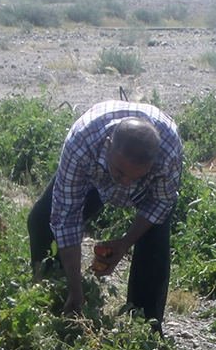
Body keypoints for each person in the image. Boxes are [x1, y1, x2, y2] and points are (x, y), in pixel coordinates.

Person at [28, 101, 183, 327]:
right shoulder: (81, 144)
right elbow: (66, 216)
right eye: (121, 172)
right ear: (109, 146)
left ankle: (144, 326)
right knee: (41, 222)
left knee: (153, 249)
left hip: (148, 192)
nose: (126, 183)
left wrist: (125, 243)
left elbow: (160, 201)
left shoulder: (168, 151)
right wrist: (75, 287)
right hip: (95, 178)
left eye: (136, 176)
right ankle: (56, 296)